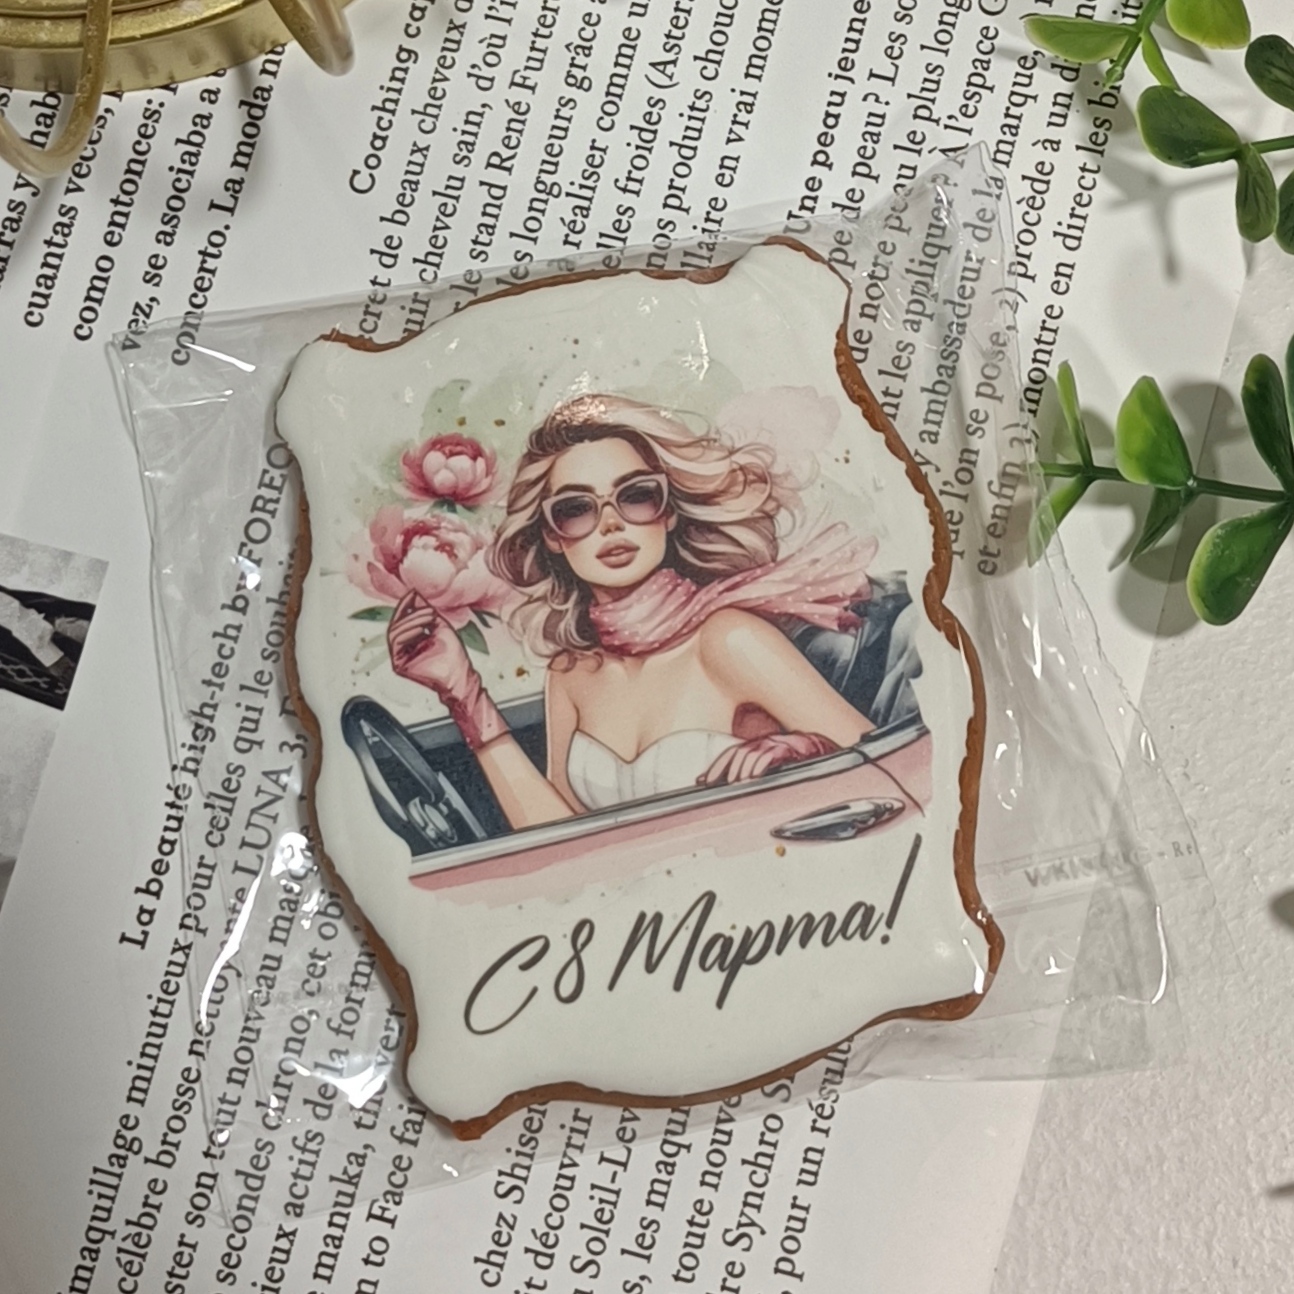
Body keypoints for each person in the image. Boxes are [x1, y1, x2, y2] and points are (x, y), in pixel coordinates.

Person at [386, 395, 878, 830]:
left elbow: (885, 768)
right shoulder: (571, 673)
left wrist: (806, 753)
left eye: (637, 496)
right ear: (552, 536)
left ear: (669, 511)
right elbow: (559, 844)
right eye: (576, 508)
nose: (611, 524)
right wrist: (462, 691)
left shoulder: (729, 639)